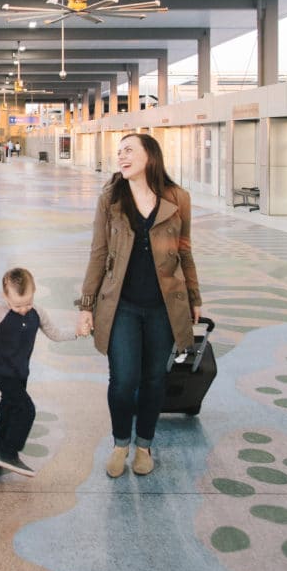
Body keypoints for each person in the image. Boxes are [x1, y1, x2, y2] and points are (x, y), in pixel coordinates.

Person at [75, 133, 202, 478]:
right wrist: (86, 305)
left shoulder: (178, 198)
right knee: (122, 379)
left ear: (151, 155)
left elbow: (185, 251)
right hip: (122, 306)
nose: (122, 156)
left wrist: (194, 298)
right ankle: (120, 444)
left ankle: (144, 446)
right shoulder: (111, 198)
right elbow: (98, 253)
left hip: (164, 306)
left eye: (129, 150)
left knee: (154, 380)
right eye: (119, 152)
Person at [0, 267, 72, 477]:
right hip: (1, 370)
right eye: (18, 305)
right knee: (25, 410)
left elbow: (56, 333)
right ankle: (9, 452)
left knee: (8, 407)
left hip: (20, 371)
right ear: (6, 297)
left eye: (28, 303)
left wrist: (76, 333)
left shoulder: (38, 313)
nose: (24, 309)